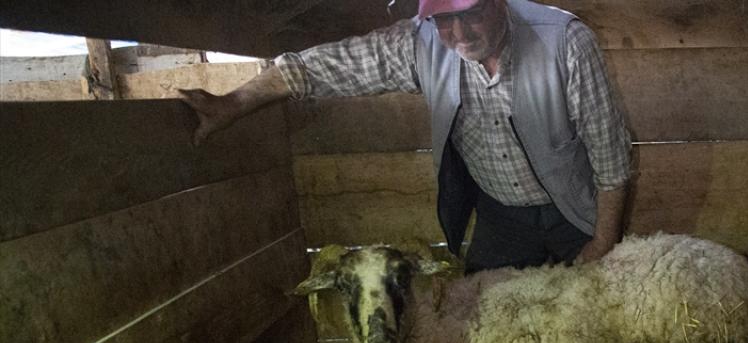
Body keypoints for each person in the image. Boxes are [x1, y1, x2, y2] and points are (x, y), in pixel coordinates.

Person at [180, 0, 632, 274]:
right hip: (502, 218)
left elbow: (611, 157)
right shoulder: (423, 44)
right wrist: (235, 103)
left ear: (498, 3)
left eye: (469, 15)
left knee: (595, 329)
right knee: (487, 322)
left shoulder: (566, 43)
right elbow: (325, 67)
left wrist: (602, 242)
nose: (457, 35)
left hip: (574, 212)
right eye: (442, 21)